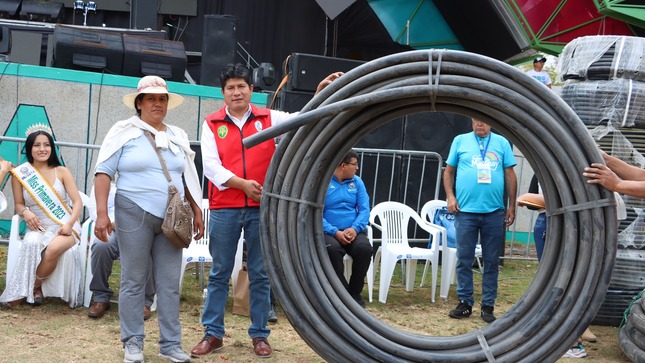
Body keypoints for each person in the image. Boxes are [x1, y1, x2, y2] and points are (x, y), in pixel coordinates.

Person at [192, 63, 341, 359]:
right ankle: (213, 333)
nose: (237, 92)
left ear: (251, 90)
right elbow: (210, 167)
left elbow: (302, 119)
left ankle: (260, 335)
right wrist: (242, 185)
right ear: (223, 93)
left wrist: (320, 93)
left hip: (262, 207)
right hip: (225, 208)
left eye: (242, 86)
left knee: (260, 273)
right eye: (231, 87)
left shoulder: (269, 117)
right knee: (220, 272)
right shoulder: (211, 123)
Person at [93, 75, 204, 363]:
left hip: (173, 218)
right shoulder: (123, 131)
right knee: (133, 280)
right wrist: (102, 213)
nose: (158, 103)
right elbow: (103, 172)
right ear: (139, 103)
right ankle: (132, 342)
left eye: (162, 98)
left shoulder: (177, 135)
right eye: (151, 98)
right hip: (133, 210)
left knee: (168, 283)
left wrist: (197, 209)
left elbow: (186, 176)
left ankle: (170, 345)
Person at [1, 126, 84, 309]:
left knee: (53, 248)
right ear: (29, 149)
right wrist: (25, 212)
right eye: (36, 145)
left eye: (46, 145)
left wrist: (70, 223)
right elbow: (19, 205)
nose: (42, 149)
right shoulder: (21, 175)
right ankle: (35, 292)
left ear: (51, 148)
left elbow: (77, 202)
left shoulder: (62, 171)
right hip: (37, 225)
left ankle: (29, 289)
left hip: (65, 225)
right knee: (31, 243)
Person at [443, 118, 517, 323]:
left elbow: (510, 174)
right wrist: (450, 197)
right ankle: (465, 302)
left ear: (492, 123)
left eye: (484, 122)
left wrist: (511, 206)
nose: (479, 125)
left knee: (491, 261)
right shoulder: (460, 140)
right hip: (465, 211)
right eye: (476, 120)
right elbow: (448, 172)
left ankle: (488, 306)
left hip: (494, 212)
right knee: (464, 259)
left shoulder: (502, 143)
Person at [518, 175, 596, 357]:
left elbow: (572, 198)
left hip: (563, 222)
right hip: (549, 221)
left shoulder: (574, 167)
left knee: (562, 281)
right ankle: (562, 337)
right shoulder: (542, 169)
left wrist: (531, 198)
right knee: (551, 282)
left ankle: (571, 343)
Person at [84, 185, 156, 320]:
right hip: (112, 228)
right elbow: (94, 210)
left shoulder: (146, 181)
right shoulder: (105, 182)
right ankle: (101, 297)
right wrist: (112, 223)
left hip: (141, 228)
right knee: (101, 246)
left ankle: (144, 301)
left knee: (150, 248)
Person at [322, 150, 372, 308]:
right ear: (343, 165)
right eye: (354, 164)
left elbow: (365, 210)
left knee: (364, 249)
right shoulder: (323, 183)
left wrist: (355, 228)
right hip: (329, 232)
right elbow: (315, 214)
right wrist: (334, 232)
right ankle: (341, 293)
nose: (357, 168)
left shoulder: (357, 183)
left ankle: (354, 293)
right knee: (332, 250)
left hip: (352, 230)